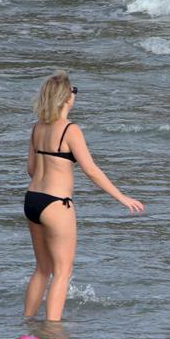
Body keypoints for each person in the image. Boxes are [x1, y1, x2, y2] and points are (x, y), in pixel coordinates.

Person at [24, 72, 145, 321]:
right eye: (73, 90)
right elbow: (91, 169)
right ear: (66, 97)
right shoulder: (70, 129)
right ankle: (52, 329)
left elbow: (31, 170)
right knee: (62, 271)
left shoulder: (37, 127)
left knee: (42, 269)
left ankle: (27, 321)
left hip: (33, 200)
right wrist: (122, 197)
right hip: (57, 204)